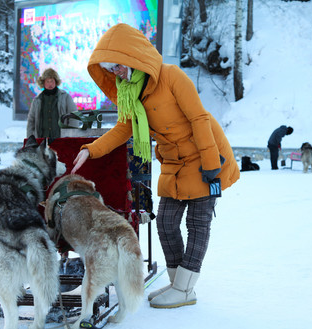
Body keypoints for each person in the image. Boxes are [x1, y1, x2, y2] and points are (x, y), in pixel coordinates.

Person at [70, 23, 240, 309]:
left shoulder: (172, 76)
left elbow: (199, 119)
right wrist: (90, 150)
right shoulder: (130, 94)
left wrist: (211, 164)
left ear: (133, 58)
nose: (116, 73)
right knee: (165, 223)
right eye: (110, 69)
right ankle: (178, 285)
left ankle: (185, 289)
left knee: (197, 223)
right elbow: (123, 129)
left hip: (205, 154)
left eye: (118, 66)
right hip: (173, 161)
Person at [26, 68, 77, 139]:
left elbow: (74, 117)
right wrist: (30, 139)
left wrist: (71, 136)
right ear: (43, 83)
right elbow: (31, 121)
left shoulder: (65, 97)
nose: (50, 84)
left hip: (61, 140)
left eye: (52, 81)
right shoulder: (37, 100)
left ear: (56, 82)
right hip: (42, 141)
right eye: (47, 81)